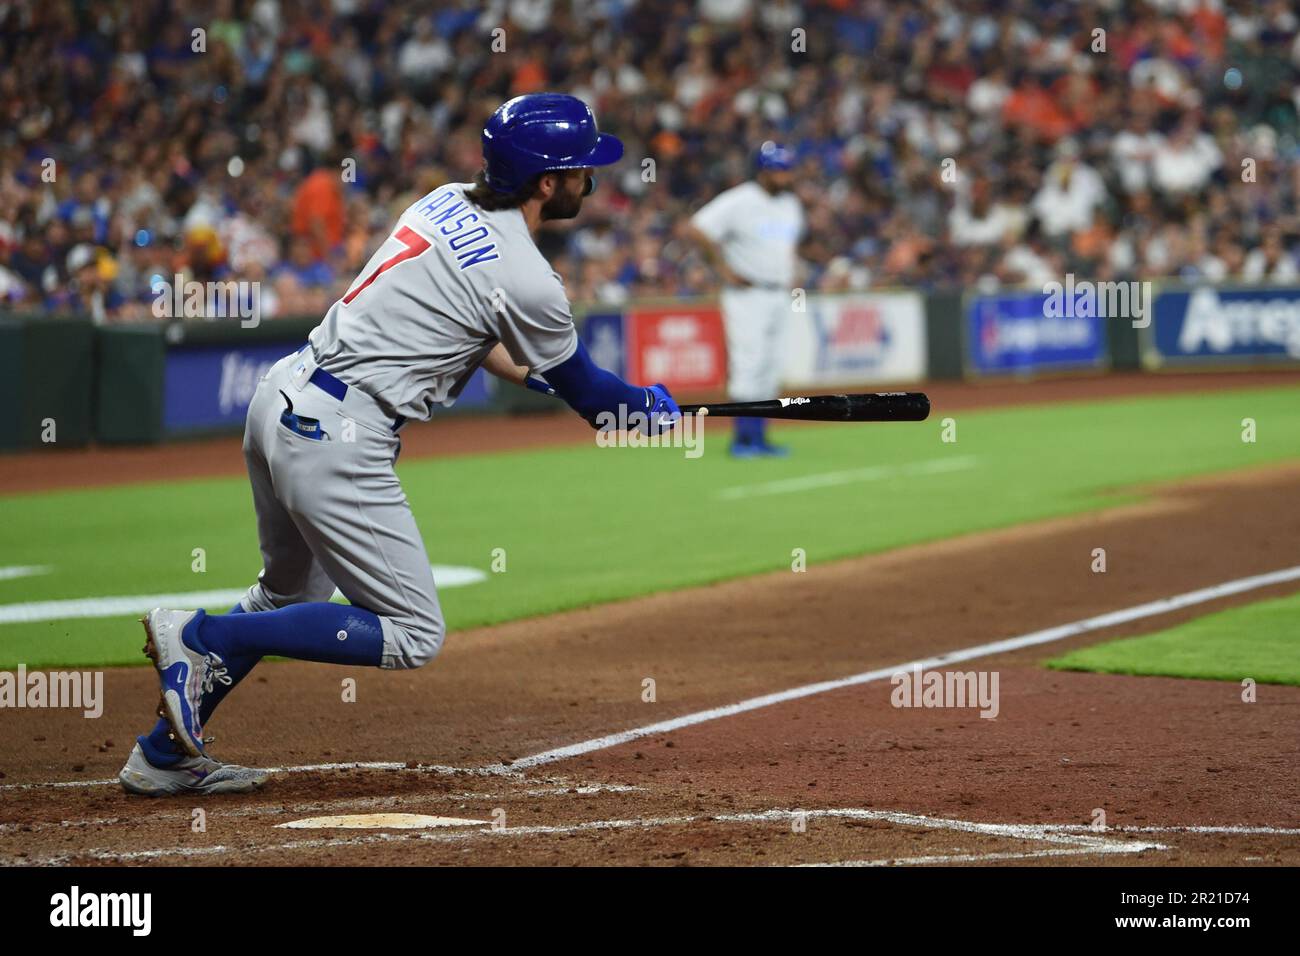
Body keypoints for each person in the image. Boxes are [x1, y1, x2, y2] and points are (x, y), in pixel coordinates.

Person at [119, 93, 680, 796]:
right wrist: (650, 408)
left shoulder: (445, 201)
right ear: (546, 182)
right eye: (579, 170)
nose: (589, 182)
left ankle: (161, 754)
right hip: (338, 433)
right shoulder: (528, 275)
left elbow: (473, 333)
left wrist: (542, 379)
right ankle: (205, 640)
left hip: (283, 398)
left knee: (284, 593)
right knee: (413, 632)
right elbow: (599, 401)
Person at [686, 141, 803, 456]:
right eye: (779, 169)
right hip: (746, 294)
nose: (785, 175)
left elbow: (786, 248)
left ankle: (761, 438)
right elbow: (697, 228)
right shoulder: (740, 200)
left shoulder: (791, 204)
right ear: (763, 171)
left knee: (771, 366)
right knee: (748, 365)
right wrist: (722, 269)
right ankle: (742, 439)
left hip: (779, 292)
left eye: (787, 169)